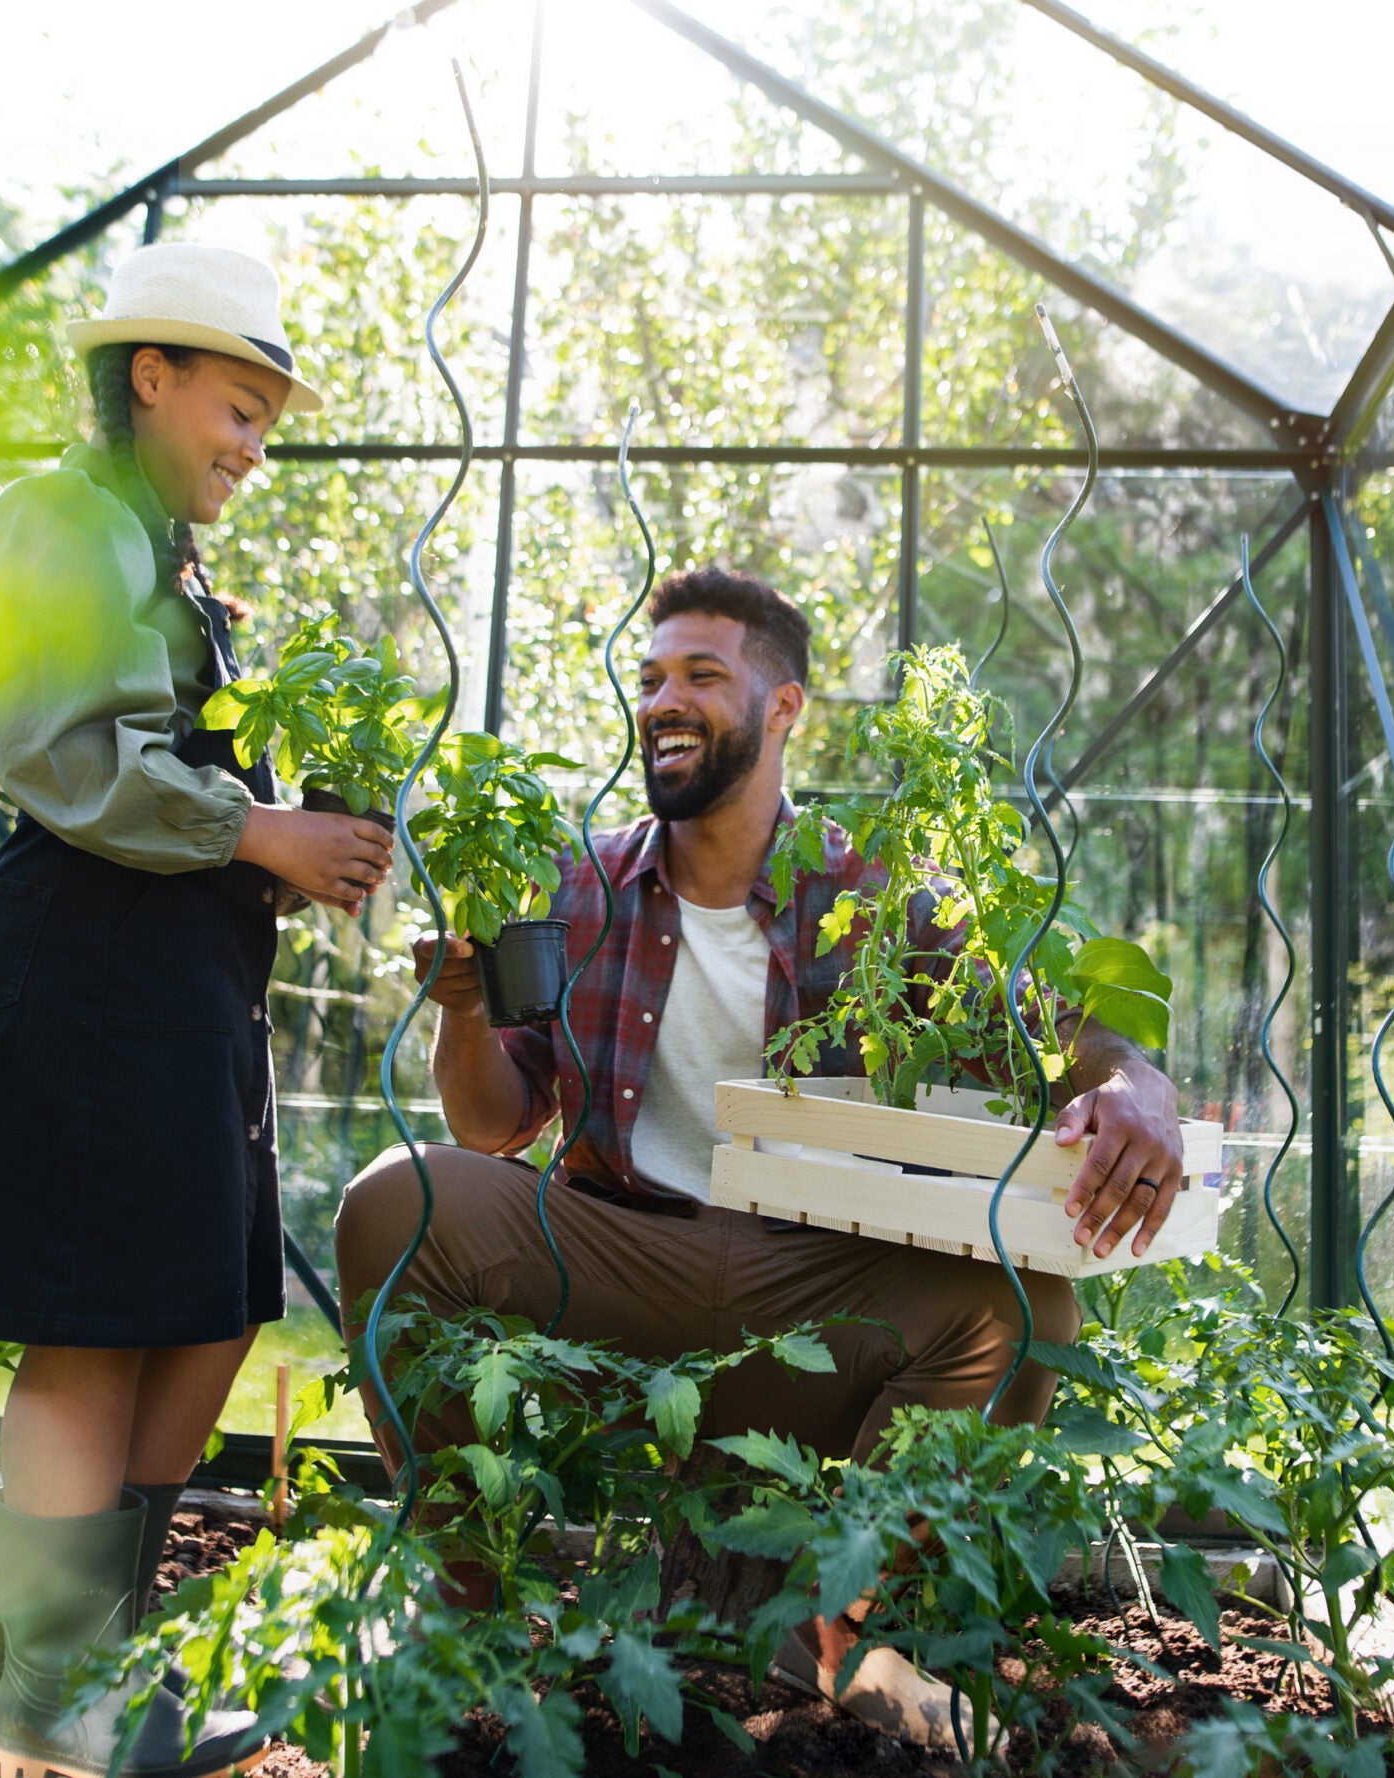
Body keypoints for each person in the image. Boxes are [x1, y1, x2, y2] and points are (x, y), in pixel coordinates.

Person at [334, 567, 1184, 1750]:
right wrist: (464, 1009)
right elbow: (492, 1125)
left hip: (810, 1285)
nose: (661, 700)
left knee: (1028, 1306)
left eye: (700, 674)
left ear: (783, 708)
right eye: (649, 678)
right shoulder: (581, 883)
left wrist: (1138, 1081)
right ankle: (467, 1611)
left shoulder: (873, 891)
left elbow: (1038, 1029)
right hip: (618, 1265)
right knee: (399, 1198)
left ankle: (845, 1632)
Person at [0, 242, 395, 1778]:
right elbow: (63, 750)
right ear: (149, 375)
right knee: (95, 1323)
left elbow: (168, 760)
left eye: (266, 424)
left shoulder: (161, 555)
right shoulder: (64, 515)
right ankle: (53, 1687)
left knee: (209, 1308)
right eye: (239, 410)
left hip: (177, 975)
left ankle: (101, 1658)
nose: (252, 449)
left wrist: (298, 829)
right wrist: (263, 833)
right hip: (92, 965)